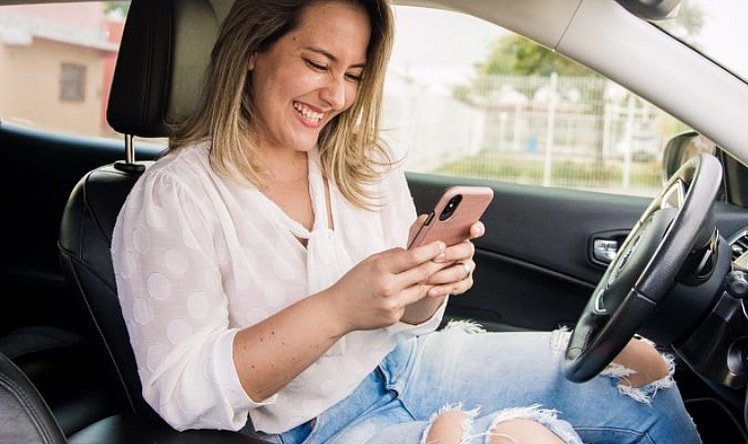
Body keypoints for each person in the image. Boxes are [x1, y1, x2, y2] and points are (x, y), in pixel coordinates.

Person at [110, 0, 703, 443]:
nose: (337, 96)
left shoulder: (363, 162)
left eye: (354, 74)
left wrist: (425, 286)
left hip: (410, 365)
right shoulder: (176, 197)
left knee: (638, 367)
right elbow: (181, 393)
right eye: (317, 63)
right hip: (307, 427)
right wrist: (338, 308)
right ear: (252, 51)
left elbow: (413, 324)